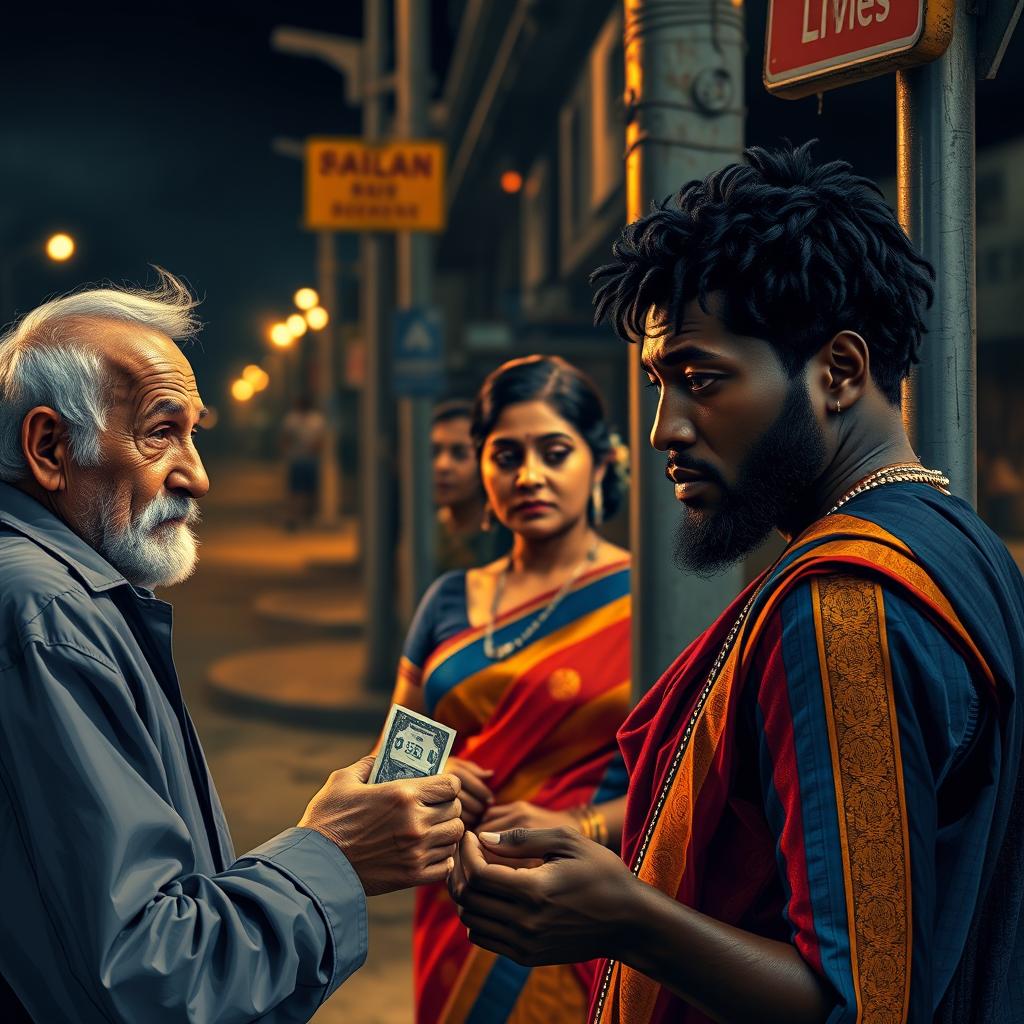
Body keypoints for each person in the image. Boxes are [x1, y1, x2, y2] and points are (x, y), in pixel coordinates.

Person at [451, 144, 1024, 1023]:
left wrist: (627, 919)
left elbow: (857, 1002)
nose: (663, 430)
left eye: (701, 379)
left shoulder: (846, 603)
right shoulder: (965, 545)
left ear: (838, 371)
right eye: (656, 384)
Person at [0, 272, 464, 1023]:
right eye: (160, 432)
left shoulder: (61, 594)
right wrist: (334, 854)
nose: (198, 476)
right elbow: (154, 978)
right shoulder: (48, 614)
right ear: (50, 447)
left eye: (194, 434)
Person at [380, 355, 632, 1022]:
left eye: (555, 452)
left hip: (581, 904)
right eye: (505, 455)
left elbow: (689, 790)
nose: (529, 476)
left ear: (599, 463)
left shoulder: (647, 606)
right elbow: (396, 768)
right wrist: (436, 778)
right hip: (458, 902)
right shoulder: (448, 602)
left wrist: (574, 825)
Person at [432, 398, 511, 572]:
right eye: (434, 452)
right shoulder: (426, 532)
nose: (442, 465)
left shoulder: (506, 535)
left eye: (459, 454)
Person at [280, 393, 325, 529]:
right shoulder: (294, 419)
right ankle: (297, 516)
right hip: (299, 459)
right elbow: (286, 439)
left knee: (305, 490)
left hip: (306, 459)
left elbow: (320, 440)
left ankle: (303, 516)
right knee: (298, 490)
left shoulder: (313, 420)